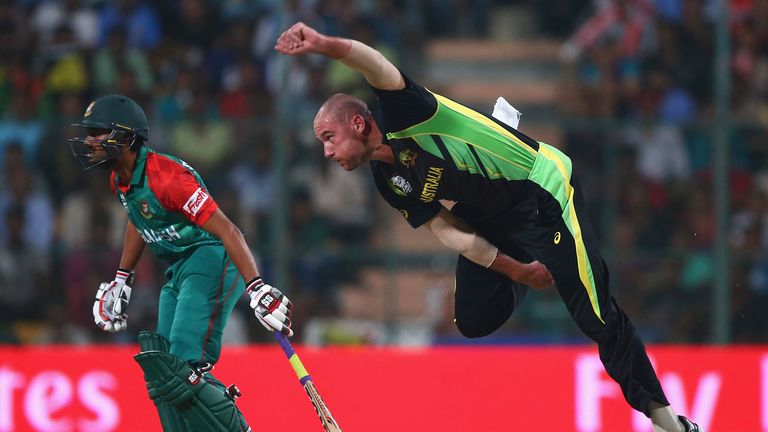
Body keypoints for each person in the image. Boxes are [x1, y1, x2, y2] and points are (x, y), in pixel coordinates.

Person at [274, 22, 700, 432]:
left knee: (594, 316)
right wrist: (518, 270)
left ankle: (669, 423)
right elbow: (449, 230)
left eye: (328, 137)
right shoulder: (389, 183)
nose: (327, 152)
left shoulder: (407, 111)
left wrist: (323, 43)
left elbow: (374, 64)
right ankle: (536, 256)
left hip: (541, 189)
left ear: (358, 123)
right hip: (491, 216)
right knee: (473, 320)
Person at [70, 94, 293, 431]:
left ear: (126, 137)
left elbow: (229, 230)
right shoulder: (119, 178)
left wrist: (256, 287)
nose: (89, 141)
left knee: (183, 367)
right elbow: (137, 218)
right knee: (163, 371)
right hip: (177, 267)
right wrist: (122, 277)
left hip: (211, 258)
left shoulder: (168, 178)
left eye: (98, 132)